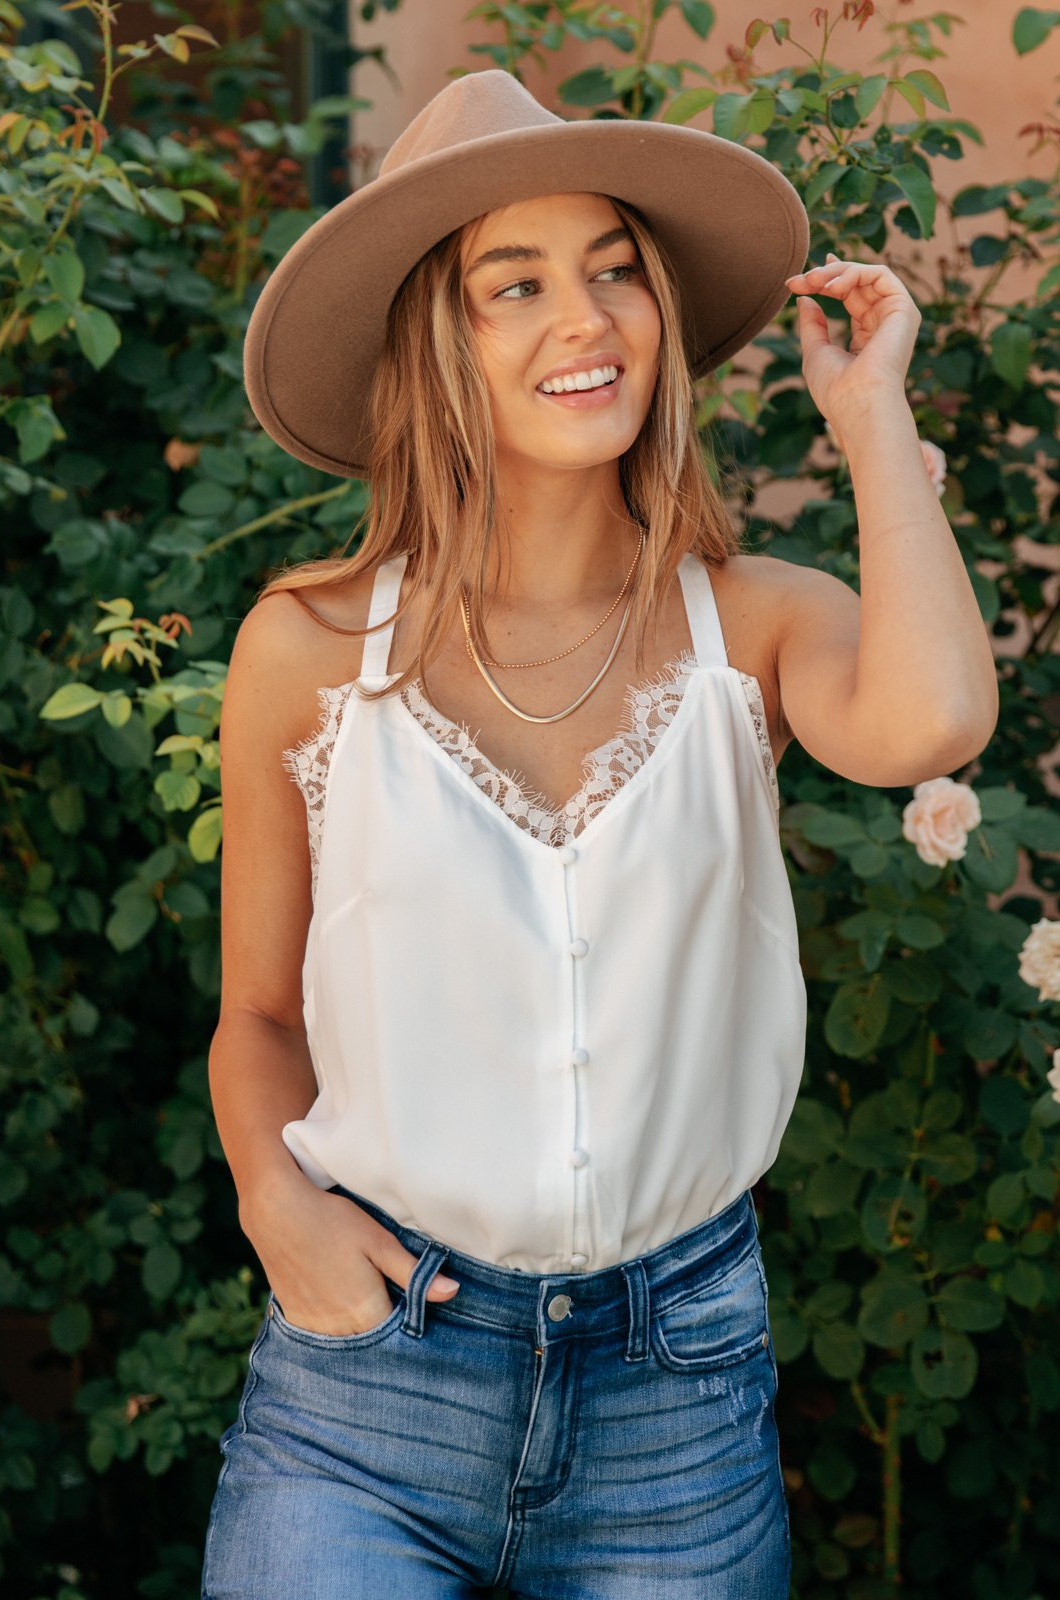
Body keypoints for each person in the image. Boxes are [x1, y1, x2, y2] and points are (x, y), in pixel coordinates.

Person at [200, 68, 997, 1600]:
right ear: (441, 350)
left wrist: (871, 414)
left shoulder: (749, 626)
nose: (589, 315)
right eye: (518, 284)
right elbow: (257, 1015)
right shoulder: (305, 651)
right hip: (368, 1379)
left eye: (615, 267)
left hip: (675, 1399)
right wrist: (272, 1203)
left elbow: (935, 723)